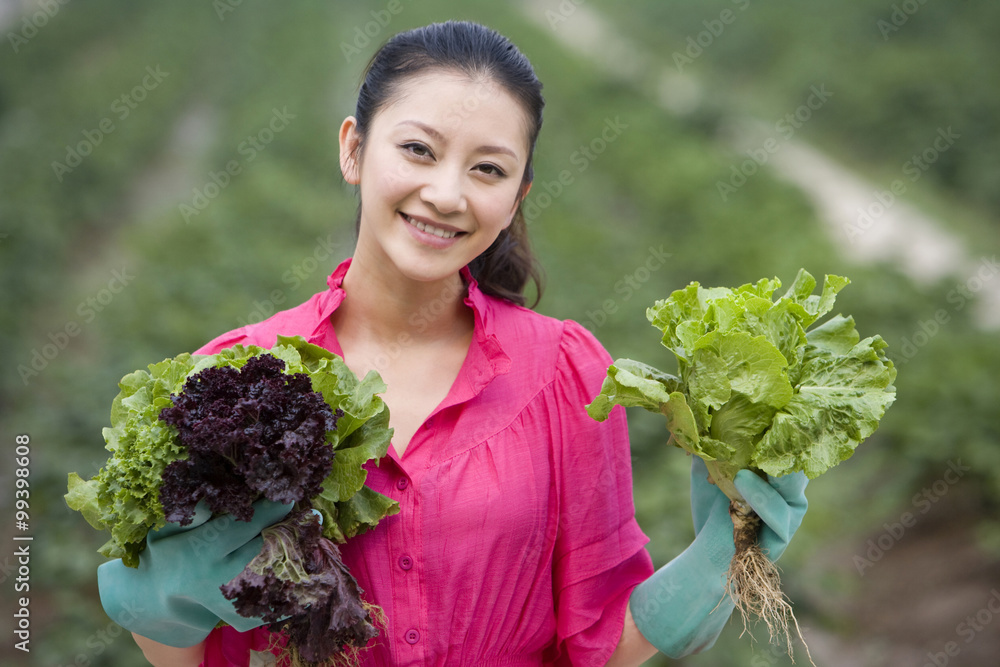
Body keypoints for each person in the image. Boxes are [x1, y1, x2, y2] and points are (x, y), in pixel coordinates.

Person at [97, 20, 808, 667]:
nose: (446, 193)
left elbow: (597, 646)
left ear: (517, 196)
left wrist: (719, 557)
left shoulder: (568, 375)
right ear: (353, 148)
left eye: (487, 169)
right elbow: (190, 653)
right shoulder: (238, 378)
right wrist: (164, 601)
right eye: (418, 150)